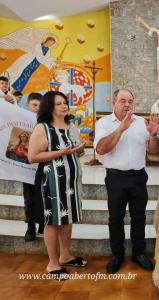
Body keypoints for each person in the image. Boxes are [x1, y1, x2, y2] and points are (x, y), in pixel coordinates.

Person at [95, 89, 159, 273]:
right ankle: (117, 254)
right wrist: (120, 129)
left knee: (139, 217)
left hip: (139, 177)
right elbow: (101, 149)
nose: (127, 104)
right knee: (115, 218)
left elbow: (153, 151)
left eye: (130, 101)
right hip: (116, 178)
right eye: (122, 101)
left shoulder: (141, 122)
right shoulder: (104, 123)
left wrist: (154, 135)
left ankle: (139, 253)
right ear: (114, 103)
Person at [28, 91, 86, 279]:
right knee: (53, 221)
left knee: (67, 217)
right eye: (59, 103)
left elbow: (76, 152)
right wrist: (61, 152)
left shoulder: (70, 125)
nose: (64, 106)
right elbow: (33, 157)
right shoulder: (42, 128)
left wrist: (78, 150)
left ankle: (65, 255)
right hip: (51, 182)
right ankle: (52, 264)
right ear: (50, 107)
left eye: (65, 102)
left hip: (70, 181)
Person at [23, 93, 44, 241]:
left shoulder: (45, 123)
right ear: (27, 105)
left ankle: (43, 223)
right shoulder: (19, 120)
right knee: (29, 199)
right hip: (26, 167)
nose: (37, 109)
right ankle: (30, 227)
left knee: (43, 196)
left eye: (39, 106)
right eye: (34, 105)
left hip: (42, 166)